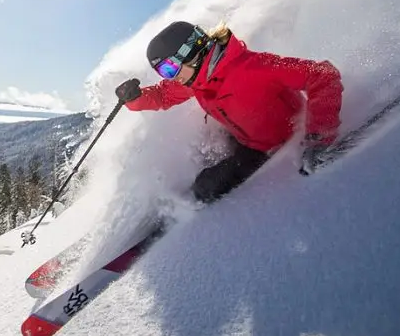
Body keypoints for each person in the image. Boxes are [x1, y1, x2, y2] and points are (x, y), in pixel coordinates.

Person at [115, 21, 343, 203]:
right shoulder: (194, 80)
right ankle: (180, 199)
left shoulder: (253, 67)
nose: (171, 77)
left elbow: (322, 74)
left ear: (191, 52)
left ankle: (188, 209)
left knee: (208, 185)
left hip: (273, 144)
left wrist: (319, 135)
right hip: (243, 138)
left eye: (170, 68)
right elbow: (163, 95)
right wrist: (135, 99)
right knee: (200, 155)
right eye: (163, 72)